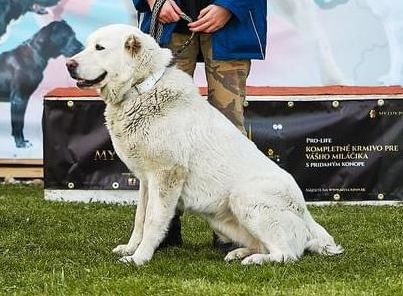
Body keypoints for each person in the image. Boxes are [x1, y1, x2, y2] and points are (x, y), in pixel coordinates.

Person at [132, 0, 267, 249]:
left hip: (230, 25)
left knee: (229, 130)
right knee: (159, 131)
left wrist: (229, 6)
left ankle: (231, 231)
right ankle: (161, 227)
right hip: (168, 23)